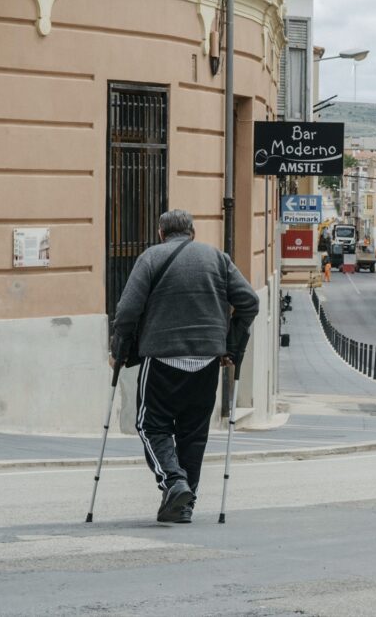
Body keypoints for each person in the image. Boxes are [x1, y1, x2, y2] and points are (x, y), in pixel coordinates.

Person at [110, 210, 259, 524]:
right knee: (193, 434)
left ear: (161, 233)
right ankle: (184, 504)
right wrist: (232, 345)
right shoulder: (218, 258)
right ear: (193, 232)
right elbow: (249, 302)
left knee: (151, 426)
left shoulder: (151, 258)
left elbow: (127, 311)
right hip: (206, 361)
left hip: (162, 359)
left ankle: (173, 481)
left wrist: (119, 348)